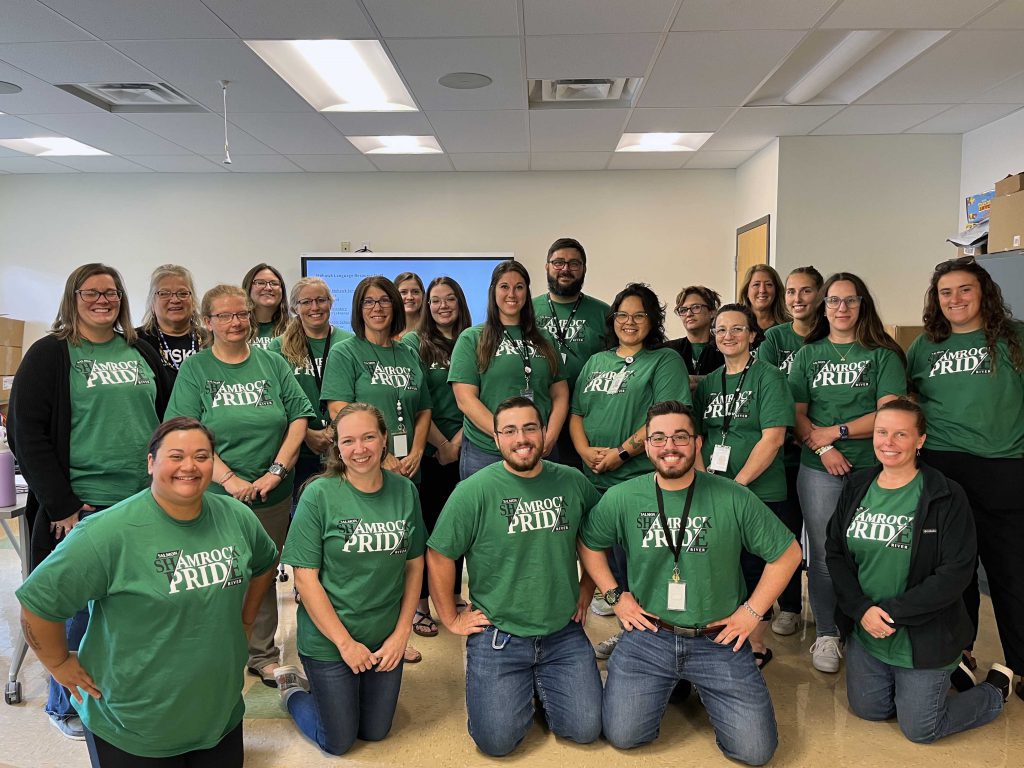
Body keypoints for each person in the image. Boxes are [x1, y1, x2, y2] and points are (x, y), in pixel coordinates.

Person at [16, 417, 278, 766]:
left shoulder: (236, 517)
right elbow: (39, 603)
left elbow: (264, 563)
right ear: (151, 462)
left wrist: (245, 622)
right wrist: (59, 662)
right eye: (176, 456)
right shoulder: (108, 532)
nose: (189, 466)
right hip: (135, 726)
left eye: (202, 456)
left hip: (218, 713)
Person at [578, 400, 800, 764]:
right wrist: (616, 597)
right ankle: (674, 683)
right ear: (647, 446)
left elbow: (788, 553)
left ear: (698, 444)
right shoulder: (623, 497)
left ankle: (687, 682)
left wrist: (752, 612)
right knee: (624, 735)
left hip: (717, 637)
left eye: (681, 437)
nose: (670, 446)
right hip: (651, 635)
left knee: (756, 752)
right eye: (659, 438)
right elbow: (589, 543)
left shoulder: (733, 496)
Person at [8, 262, 172, 740]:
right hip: (83, 506)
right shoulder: (51, 354)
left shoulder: (140, 349)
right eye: (92, 292)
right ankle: (66, 704)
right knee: (77, 610)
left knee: (131, 605)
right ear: (73, 297)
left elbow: (164, 418)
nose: (104, 300)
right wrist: (61, 505)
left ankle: (121, 688)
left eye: (112, 292)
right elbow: (26, 434)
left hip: (142, 502)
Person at [825, 399, 1012, 742]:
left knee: (921, 728)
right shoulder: (857, 486)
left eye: (901, 434)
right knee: (869, 709)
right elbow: (835, 553)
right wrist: (862, 609)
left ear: (920, 440)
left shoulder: (946, 495)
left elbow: (956, 572)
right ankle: (937, 679)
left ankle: (995, 690)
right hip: (867, 629)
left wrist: (891, 614)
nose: (888, 442)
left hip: (922, 633)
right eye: (882, 432)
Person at [426, 397, 602, 757]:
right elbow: (439, 554)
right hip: (499, 635)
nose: (521, 438)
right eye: (510, 431)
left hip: (562, 631)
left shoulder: (572, 482)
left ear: (543, 433)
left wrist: (588, 587)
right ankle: (524, 683)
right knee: (496, 743)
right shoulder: (473, 491)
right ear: (496, 438)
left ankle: (539, 682)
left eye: (529, 428)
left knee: (584, 730)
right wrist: (450, 617)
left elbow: (595, 539)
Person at [166, 284, 314, 687]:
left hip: (272, 492)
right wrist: (229, 480)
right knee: (213, 574)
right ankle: (210, 651)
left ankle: (262, 653)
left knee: (262, 573)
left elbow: (299, 417)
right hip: (212, 495)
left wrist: (277, 471)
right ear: (208, 322)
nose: (236, 323)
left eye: (242, 314)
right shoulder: (196, 369)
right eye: (225, 316)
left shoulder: (273, 363)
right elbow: (185, 431)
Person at [275, 403, 425, 756]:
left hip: (383, 634)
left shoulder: (405, 491)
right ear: (337, 447)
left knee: (375, 731)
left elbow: (415, 564)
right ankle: (293, 690)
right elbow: (305, 579)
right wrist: (344, 644)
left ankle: (345, 692)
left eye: (369, 437)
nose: (360, 449)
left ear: (384, 438)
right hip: (330, 639)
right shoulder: (318, 494)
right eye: (349, 441)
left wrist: (401, 635)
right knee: (339, 741)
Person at [907, 255, 1024, 695]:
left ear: (984, 293)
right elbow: (912, 401)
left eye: (964, 289)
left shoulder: (1015, 338)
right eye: (945, 292)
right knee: (954, 569)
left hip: (1005, 467)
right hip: (942, 467)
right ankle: (961, 651)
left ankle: (1021, 661)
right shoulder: (925, 346)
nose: (955, 299)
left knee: (1011, 570)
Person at [789, 272, 907, 673]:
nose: (842, 308)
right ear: (824, 307)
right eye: (834, 301)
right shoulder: (808, 354)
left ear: (863, 305)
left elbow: (888, 413)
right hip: (818, 467)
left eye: (850, 300)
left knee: (868, 549)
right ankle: (826, 633)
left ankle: (864, 626)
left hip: (875, 466)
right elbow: (797, 415)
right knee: (822, 552)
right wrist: (823, 448)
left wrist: (837, 432)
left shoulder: (883, 355)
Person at [570, 283, 690, 656]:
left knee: (639, 563)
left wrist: (620, 454)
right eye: (622, 315)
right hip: (595, 478)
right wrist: (586, 451)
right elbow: (577, 414)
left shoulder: (664, 361)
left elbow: (666, 416)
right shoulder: (596, 361)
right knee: (606, 563)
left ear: (652, 320)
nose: (629, 322)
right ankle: (630, 631)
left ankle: (645, 639)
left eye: (639, 315)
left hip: (637, 480)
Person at [321, 275, 433, 663]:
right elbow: (338, 408)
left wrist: (418, 448)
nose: (377, 308)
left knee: (398, 554)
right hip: (364, 468)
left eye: (384, 301)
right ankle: (353, 636)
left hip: (406, 467)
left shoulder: (408, 353)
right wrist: (380, 453)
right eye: (368, 302)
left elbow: (423, 408)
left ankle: (397, 634)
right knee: (368, 553)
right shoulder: (346, 353)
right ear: (358, 309)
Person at [695, 303, 795, 668]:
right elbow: (699, 437)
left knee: (755, 568)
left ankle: (756, 643)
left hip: (760, 492)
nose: (728, 336)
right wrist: (706, 479)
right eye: (721, 330)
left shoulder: (768, 377)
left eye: (737, 329)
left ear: (753, 335)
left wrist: (737, 485)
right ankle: (725, 631)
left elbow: (773, 438)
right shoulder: (709, 382)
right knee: (725, 565)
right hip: (715, 490)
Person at [449, 260, 567, 478]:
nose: (512, 294)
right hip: (487, 451)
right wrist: (507, 436)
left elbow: (559, 393)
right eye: (504, 286)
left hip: (539, 449)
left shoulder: (544, 338)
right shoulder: (472, 338)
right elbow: (465, 399)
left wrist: (550, 436)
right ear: (493, 291)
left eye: (519, 287)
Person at [401, 276, 473, 636]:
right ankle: (420, 604)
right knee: (427, 527)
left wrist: (458, 442)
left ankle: (452, 594)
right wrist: (442, 445)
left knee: (458, 526)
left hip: (468, 445)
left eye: (450, 299)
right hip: (429, 449)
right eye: (435, 301)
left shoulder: (475, 340)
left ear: (460, 302)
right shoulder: (415, 344)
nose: (442, 306)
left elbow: (479, 395)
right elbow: (417, 401)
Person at [756, 265, 823, 636]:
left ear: (820, 295)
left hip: (823, 447)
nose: (798, 299)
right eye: (792, 292)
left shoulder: (830, 335)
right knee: (787, 529)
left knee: (824, 536)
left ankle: (833, 615)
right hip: (786, 448)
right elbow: (769, 389)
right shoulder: (775, 338)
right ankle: (791, 606)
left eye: (806, 291)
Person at [268, 278, 354, 505]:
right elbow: (276, 400)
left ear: (331, 303)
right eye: (306, 302)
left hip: (341, 447)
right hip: (297, 450)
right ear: (295, 307)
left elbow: (355, 394)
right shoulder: (278, 347)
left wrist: (334, 431)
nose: (314, 308)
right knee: (302, 517)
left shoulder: (349, 342)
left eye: (321, 300)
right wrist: (306, 434)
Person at [531, 237, 611, 468]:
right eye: (558, 263)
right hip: (542, 414)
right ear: (547, 267)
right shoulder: (528, 310)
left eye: (574, 264)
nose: (565, 269)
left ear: (584, 269)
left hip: (588, 417)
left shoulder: (604, 313)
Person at [135, 263, 204, 381]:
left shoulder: (212, 340)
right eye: (164, 294)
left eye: (183, 293)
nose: (175, 300)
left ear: (193, 301)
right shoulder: (135, 342)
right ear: (152, 302)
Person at [664, 284, 724, 393]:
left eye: (696, 307)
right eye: (683, 310)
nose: (689, 314)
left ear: (712, 312)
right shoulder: (669, 350)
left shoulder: (725, 347)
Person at [242, 262, 289, 350]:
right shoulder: (237, 327)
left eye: (274, 283)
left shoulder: (296, 328)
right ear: (247, 288)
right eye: (260, 283)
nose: (268, 288)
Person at [738, 264, 788, 341]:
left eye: (768, 285)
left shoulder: (789, 326)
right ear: (747, 291)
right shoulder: (736, 325)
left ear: (776, 291)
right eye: (756, 284)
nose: (762, 290)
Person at [395, 271, 425, 338]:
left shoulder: (433, 331)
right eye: (403, 292)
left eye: (415, 292)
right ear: (394, 295)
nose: (410, 297)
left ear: (423, 295)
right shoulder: (387, 334)